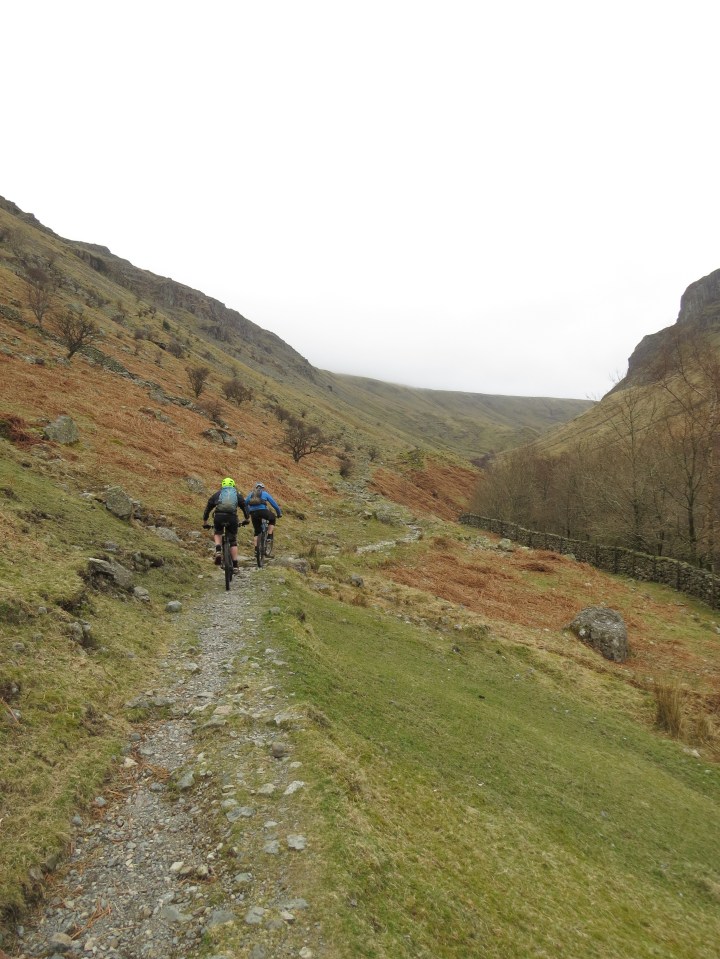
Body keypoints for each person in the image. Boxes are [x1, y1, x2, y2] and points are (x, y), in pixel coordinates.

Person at [202, 477, 249, 571]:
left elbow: (208, 507)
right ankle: (235, 565)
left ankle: (218, 550)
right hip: (232, 518)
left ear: (223, 485)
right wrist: (247, 519)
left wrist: (205, 521)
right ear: (233, 485)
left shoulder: (218, 494)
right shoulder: (237, 494)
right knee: (233, 542)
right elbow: (244, 507)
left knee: (218, 532)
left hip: (219, 517)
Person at [245, 482, 282, 552]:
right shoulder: (265, 493)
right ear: (263, 488)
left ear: (256, 488)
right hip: (263, 511)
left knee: (257, 531)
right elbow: (274, 504)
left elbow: (245, 503)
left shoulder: (251, 494)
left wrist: (248, 512)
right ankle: (269, 536)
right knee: (272, 518)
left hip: (253, 513)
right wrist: (279, 513)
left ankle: (256, 550)